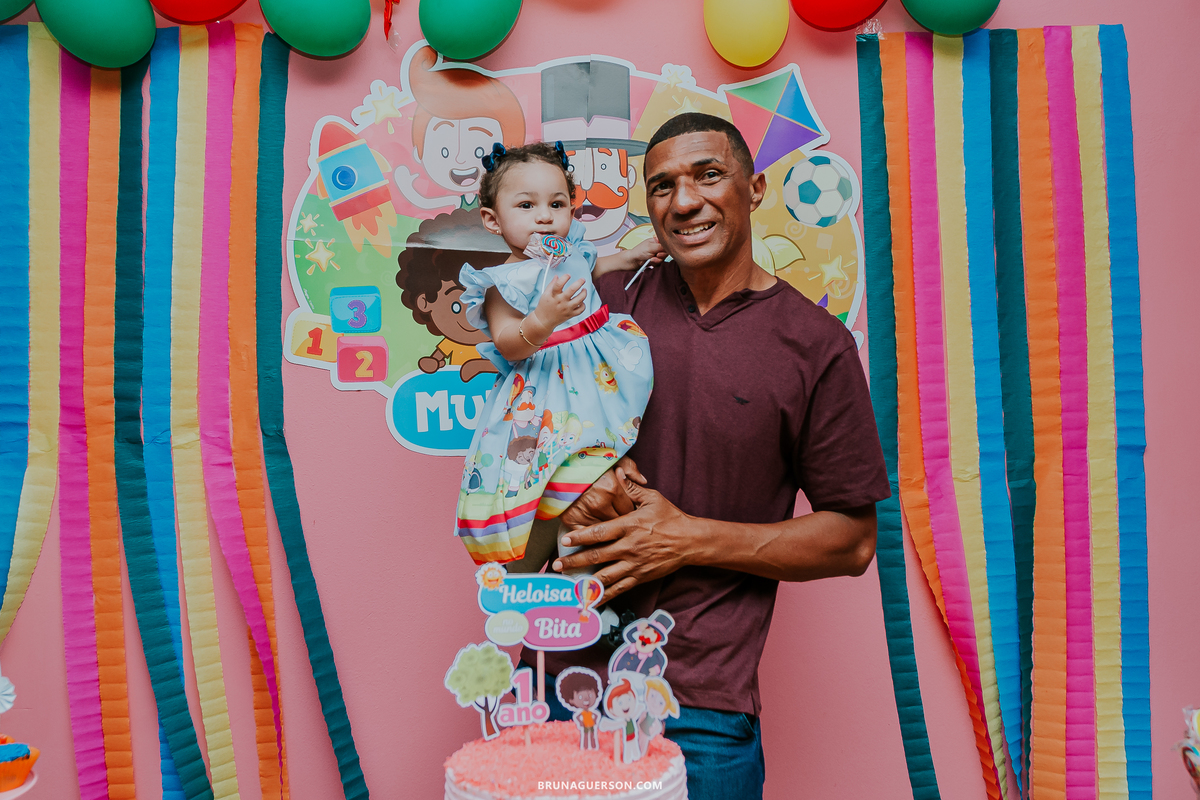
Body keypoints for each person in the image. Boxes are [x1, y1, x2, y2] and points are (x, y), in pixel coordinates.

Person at [526, 113, 890, 799]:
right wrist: (570, 477)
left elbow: (851, 541)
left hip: (700, 707)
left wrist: (685, 540)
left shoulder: (816, 347)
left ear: (753, 189)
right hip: (558, 681)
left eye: (707, 175)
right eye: (662, 186)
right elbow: (510, 431)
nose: (684, 200)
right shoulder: (599, 307)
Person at [453, 141, 666, 565]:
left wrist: (629, 257)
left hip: (592, 371)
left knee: (593, 466)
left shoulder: (569, 252)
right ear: (493, 220)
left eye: (558, 203)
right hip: (545, 385)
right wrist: (542, 320)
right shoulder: (501, 282)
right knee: (551, 474)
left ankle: (582, 579)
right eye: (527, 205)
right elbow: (507, 342)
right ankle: (534, 575)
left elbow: (591, 268)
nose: (546, 216)